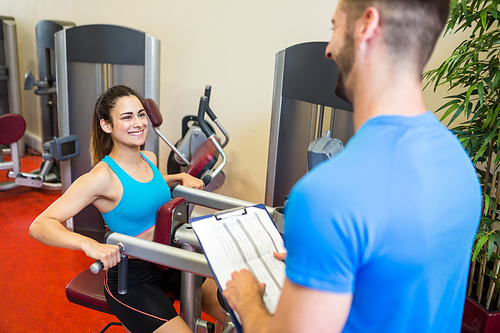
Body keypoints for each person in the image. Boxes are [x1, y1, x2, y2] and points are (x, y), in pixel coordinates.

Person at [223, 0, 482, 332]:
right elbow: (399, 281)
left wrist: (247, 300)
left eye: (335, 27)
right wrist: (327, 266)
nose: (329, 49)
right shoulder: (458, 163)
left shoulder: (326, 195)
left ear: (366, 25)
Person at [29, 85, 225, 333]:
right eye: (127, 117)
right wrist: (89, 244)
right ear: (106, 125)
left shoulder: (149, 158)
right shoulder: (102, 178)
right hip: (131, 280)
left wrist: (178, 177)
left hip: (170, 260)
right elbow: (40, 225)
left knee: (235, 310)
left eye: (141, 114)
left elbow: (146, 187)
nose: (138, 123)